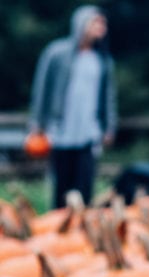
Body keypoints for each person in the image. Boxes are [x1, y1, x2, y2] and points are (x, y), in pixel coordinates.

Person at [28, 5, 116, 210]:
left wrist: (108, 126)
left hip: (89, 130)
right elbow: (42, 88)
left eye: (103, 23)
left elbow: (108, 97)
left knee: (85, 184)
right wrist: (38, 122)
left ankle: (81, 229)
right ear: (82, 23)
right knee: (61, 183)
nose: (101, 27)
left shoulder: (102, 60)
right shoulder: (57, 53)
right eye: (96, 22)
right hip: (61, 130)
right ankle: (60, 225)